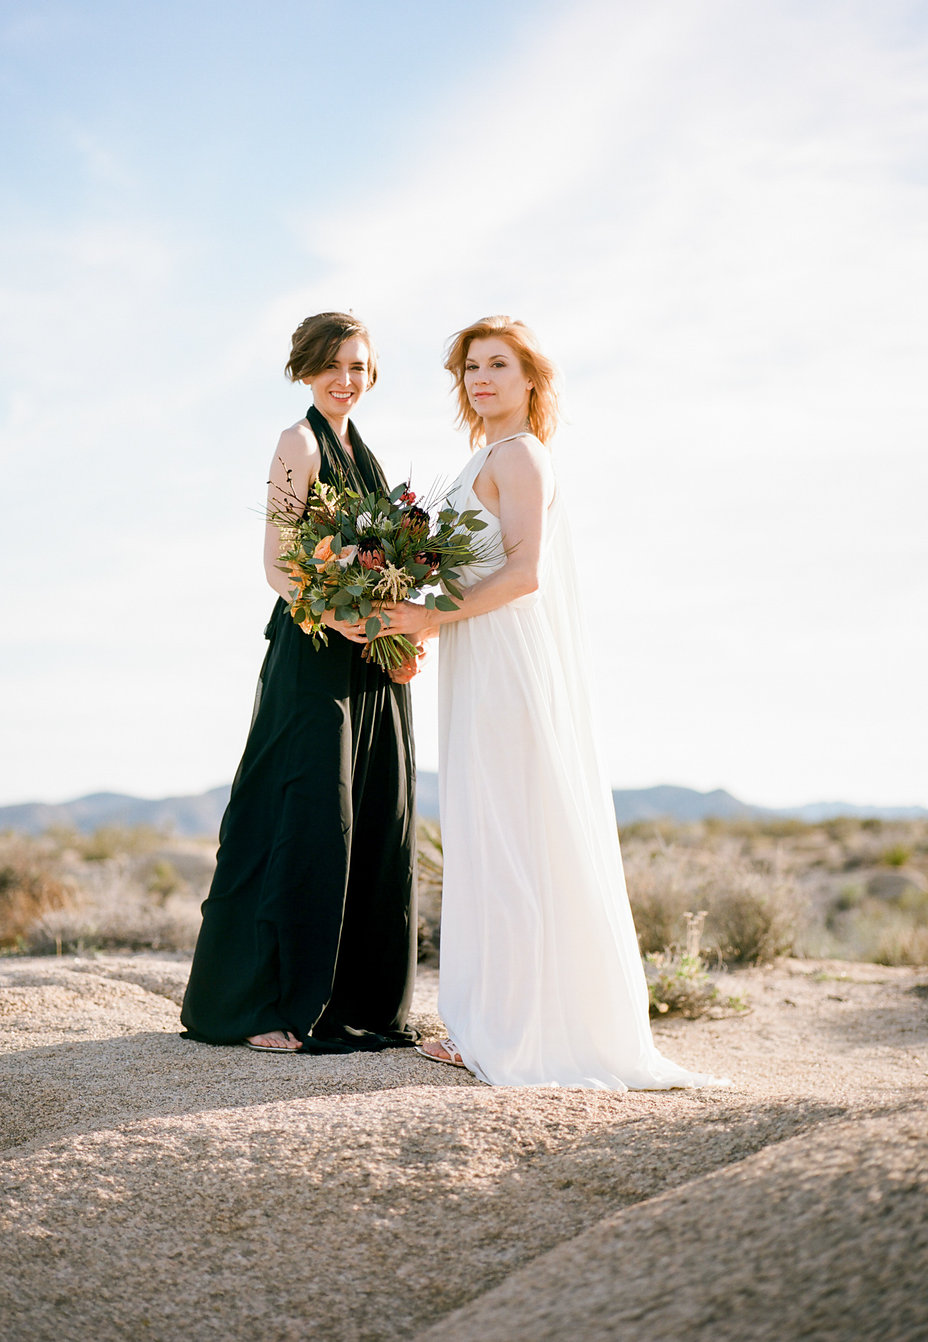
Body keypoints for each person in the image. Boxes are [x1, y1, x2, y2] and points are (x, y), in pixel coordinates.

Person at [382, 315, 725, 1088]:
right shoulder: (486, 454)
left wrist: (431, 615)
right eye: (470, 366)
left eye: (499, 364)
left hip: (506, 658)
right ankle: (491, 1021)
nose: (481, 378)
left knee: (510, 828)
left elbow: (526, 572)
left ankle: (513, 1030)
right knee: (487, 826)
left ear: (531, 379)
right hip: (479, 649)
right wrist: (422, 622)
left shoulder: (523, 455)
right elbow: (475, 569)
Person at [180, 311, 419, 1054]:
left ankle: (351, 1002)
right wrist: (339, 616)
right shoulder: (298, 442)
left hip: (371, 655)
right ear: (305, 368)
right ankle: (261, 1006)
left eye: (359, 367)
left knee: (375, 816)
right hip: (317, 648)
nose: (346, 380)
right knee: (308, 816)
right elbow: (280, 563)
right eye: (333, 365)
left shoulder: (368, 456)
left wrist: (396, 628)